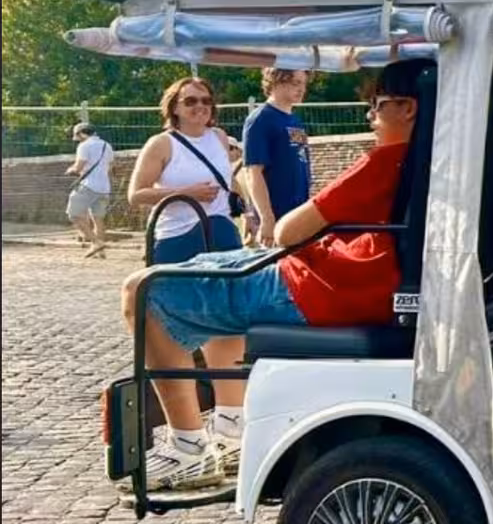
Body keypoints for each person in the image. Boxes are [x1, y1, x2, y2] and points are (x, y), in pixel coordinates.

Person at [121, 58, 430, 491]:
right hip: (343, 280)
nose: (369, 115)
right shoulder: (434, 161)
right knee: (209, 275)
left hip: (319, 287)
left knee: (143, 289)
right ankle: (230, 425)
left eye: (377, 106)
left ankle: (188, 447)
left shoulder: (389, 161)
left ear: (408, 108)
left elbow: (289, 230)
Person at [129, 77, 243, 265]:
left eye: (206, 101)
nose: (200, 106)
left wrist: (247, 211)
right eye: (191, 101)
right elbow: (136, 195)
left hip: (222, 232)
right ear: (174, 108)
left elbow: (227, 178)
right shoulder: (162, 144)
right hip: (178, 236)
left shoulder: (219, 136)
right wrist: (186, 194)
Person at [241, 68, 311, 248]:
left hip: (296, 213)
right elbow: (253, 172)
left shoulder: (295, 120)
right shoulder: (260, 119)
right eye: (295, 83)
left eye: (303, 83)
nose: (301, 89)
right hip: (276, 216)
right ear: (276, 82)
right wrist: (267, 217)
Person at [65, 121, 114, 259]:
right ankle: (100, 252)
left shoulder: (84, 146)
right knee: (98, 219)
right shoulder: (107, 145)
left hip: (88, 186)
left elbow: (78, 167)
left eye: (77, 136)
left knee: (73, 214)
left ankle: (96, 242)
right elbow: (109, 167)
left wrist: (70, 170)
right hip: (104, 187)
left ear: (81, 133)